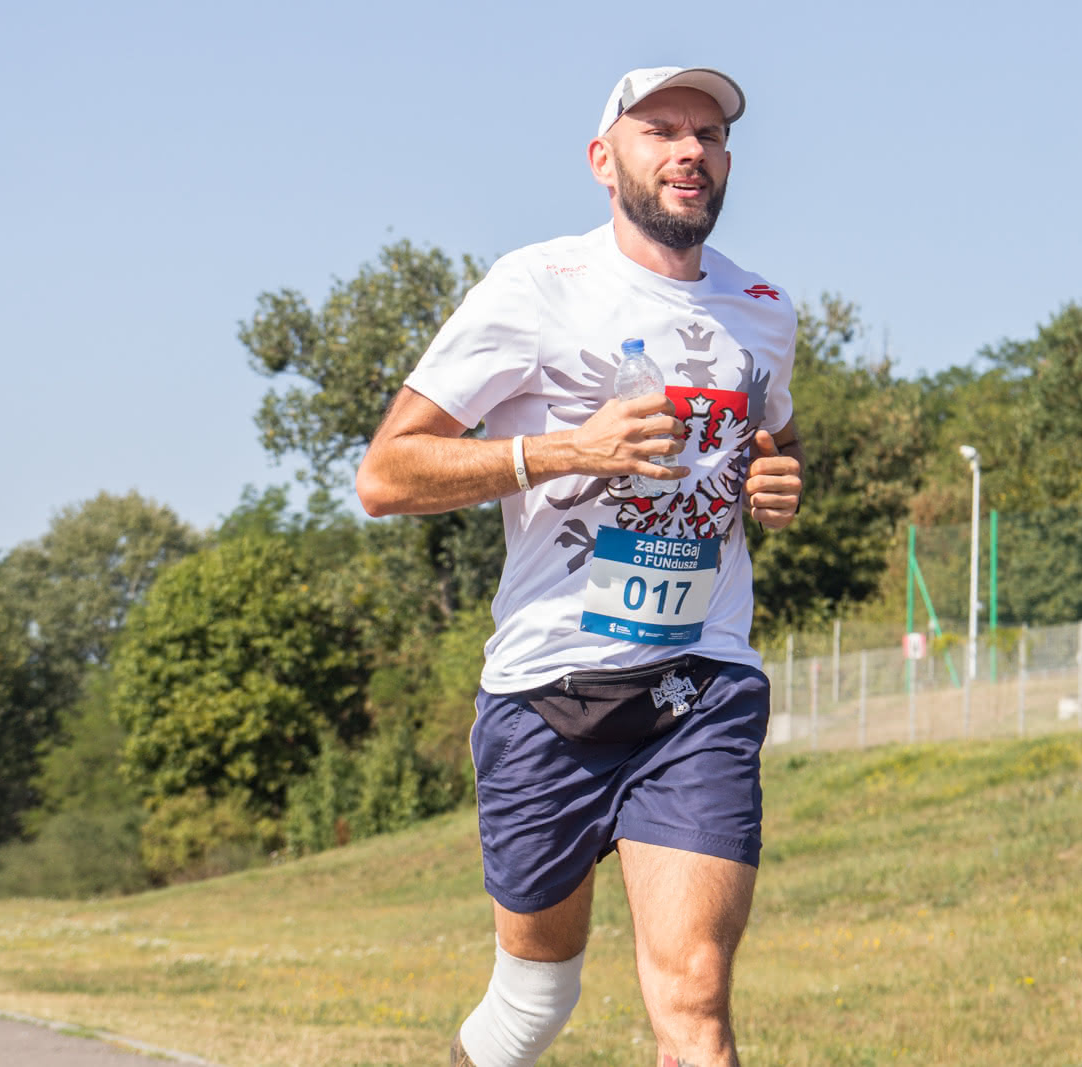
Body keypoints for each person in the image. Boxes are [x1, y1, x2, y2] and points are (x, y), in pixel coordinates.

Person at [356, 64, 803, 1067]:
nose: (690, 149)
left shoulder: (762, 307)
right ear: (605, 161)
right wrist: (566, 449)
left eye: (709, 134)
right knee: (534, 996)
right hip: (544, 689)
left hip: (699, 681)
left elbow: (776, 435)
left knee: (693, 993)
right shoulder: (536, 287)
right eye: (660, 131)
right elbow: (385, 474)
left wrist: (777, 478)